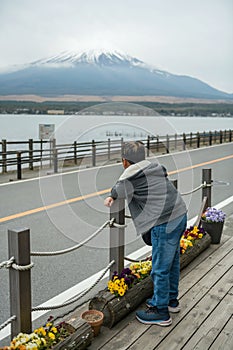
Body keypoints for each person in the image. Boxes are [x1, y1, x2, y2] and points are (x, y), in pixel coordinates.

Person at [104, 141, 187, 326]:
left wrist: (111, 196)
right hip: (180, 214)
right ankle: (171, 301)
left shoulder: (130, 178)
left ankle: (160, 312)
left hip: (164, 222)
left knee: (160, 268)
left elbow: (118, 189)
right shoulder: (156, 167)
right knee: (171, 263)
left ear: (125, 161)